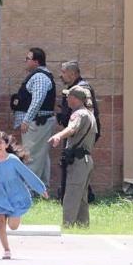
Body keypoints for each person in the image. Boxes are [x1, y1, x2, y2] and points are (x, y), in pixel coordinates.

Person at [0, 132, 48, 259]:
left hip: (16, 195)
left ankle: (12, 214)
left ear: (6, 144)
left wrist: (40, 188)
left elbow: (27, 174)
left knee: (13, 226)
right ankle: (6, 249)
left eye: (0, 143)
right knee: (0, 221)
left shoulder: (13, 160)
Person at [49, 86, 97, 228]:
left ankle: (67, 226)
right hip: (86, 160)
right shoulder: (89, 113)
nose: (66, 99)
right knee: (81, 197)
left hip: (78, 161)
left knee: (70, 195)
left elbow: (72, 128)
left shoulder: (78, 114)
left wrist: (58, 135)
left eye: (68, 96)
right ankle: (83, 227)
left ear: (74, 98)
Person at [11, 47, 57, 188]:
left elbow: (38, 100)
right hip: (38, 122)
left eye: (28, 59)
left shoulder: (40, 77)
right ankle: (42, 188)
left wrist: (26, 120)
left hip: (37, 122)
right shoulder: (39, 75)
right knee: (41, 155)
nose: (25, 61)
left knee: (31, 156)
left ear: (36, 62)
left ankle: (29, 190)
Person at [58, 60, 101, 202]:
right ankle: (79, 195)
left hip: (81, 132)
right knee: (72, 162)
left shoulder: (83, 88)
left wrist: (76, 129)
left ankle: (82, 196)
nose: (60, 75)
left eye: (63, 72)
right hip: (74, 129)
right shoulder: (73, 87)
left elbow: (89, 112)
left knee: (76, 161)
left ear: (72, 73)